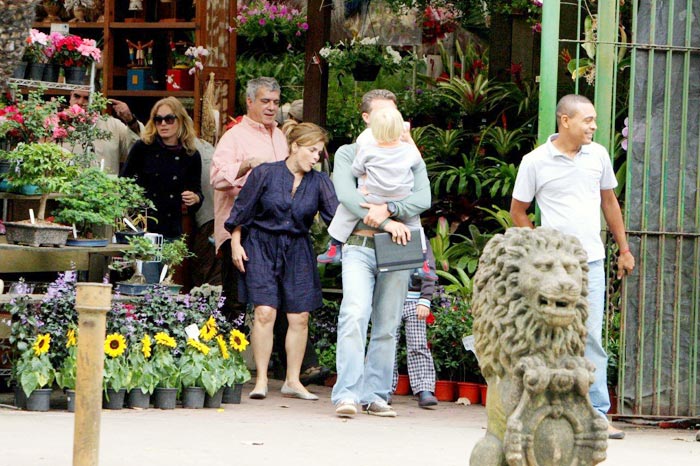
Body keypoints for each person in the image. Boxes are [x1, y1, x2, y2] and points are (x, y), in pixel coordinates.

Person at [510, 93, 635, 440]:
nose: (594, 126)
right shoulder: (535, 162)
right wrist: (542, 248)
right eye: (587, 120)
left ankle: (596, 413)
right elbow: (518, 212)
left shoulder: (598, 156)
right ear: (565, 121)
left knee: (591, 336)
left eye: (594, 120)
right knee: (549, 337)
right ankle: (544, 411)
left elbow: (609, 202)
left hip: (591, 261)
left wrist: (623, 249)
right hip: (554, 269)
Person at [331, 89, 431, 418]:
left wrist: (387, 207)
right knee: (355, 314)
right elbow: (347, 196)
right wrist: (389, 221)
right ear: (366, 119)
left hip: (398, 248)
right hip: (360, 244)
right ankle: (346, 394)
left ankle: (375, 394)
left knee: (387, 324)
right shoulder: (349, 152)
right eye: (382, 115)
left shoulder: (409, 152)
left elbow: (423, 197)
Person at [224, 122, 339, 401]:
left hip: (298, 248)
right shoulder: (265, 173)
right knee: (265, 311)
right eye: (311, 150)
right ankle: (261, 379)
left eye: (319, 152)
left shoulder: (320, 182)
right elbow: (242, 211)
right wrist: (236, 243)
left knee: (299, 316)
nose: (316, 157)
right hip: (260, 244)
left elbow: (337, 220)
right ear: (295, 146)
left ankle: (292, 380)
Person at [317, 106, 435, 280]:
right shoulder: (409, 151)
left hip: (373, 195)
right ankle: (423, 262)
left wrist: (363, 180)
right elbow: (418, 164)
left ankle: (334, 245)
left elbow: (356, 170)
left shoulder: (367, 149)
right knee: (413, 222)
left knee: (345, 211)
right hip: (401, 197)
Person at [210, 77, 288, 323]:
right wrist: (245, 166)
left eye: (275, 102)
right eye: (265, 101)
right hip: (240, 231)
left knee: (274, 301)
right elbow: (216, 178)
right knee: (237, 301)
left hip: (273, 230)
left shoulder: (280, 136)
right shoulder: (234, 136)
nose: (271, 107)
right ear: (249, 101)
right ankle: (228, 357)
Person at [120, 96, 203, 240]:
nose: (163, 124)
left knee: (166, 262)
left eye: (169, 119)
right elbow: (123, 182)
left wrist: (195, 198)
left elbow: (196, 192)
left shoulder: (191, 154)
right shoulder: (142, 148)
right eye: (158, 120)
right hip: (141, 225)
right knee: (145, 262)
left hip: (171, 227)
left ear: (180, 120)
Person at [391, 243, 439, 408]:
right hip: (390, 299)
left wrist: (425, 299)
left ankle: (424, 388)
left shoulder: (420, 237)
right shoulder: (384, 233)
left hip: (415, 299)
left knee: (418, 344)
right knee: (386, 344)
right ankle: (382, 387)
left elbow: (428, 267)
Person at [68, 90, 143, 175]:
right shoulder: (57, 126)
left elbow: (139, 151)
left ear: (97, 99)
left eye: (87, 98)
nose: (80, 102)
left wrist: (130, 120)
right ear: (70, 97)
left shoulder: (113, 125)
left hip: (104, 186)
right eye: (76, 96)